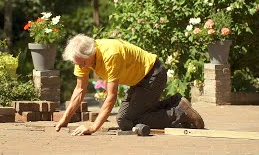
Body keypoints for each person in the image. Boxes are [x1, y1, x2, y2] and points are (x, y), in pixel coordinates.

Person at [55, 34, 204, 136]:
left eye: (82, 62)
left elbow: (111, 97)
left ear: (91, 52)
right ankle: (175, 103)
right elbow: (80, 89)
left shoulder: (110, 54)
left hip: (153, 75)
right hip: (139, 81)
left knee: (128, 120)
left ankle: (180, 112)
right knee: (125, 120)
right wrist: (65, 118)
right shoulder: (81, 59)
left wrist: (94, 127)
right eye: (77, 63)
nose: (80, 66)